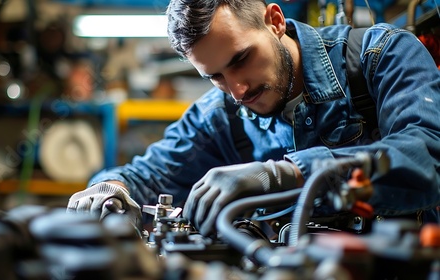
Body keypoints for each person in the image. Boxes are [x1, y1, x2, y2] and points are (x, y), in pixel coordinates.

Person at [67, 0, 440, 236]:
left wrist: (286, 174)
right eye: (216, 77)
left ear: (274, 20)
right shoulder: (219, 115)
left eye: (241, 59)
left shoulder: (381, 56)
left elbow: (427, 155)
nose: (238, 89)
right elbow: (145, 176)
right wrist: (109, 190)